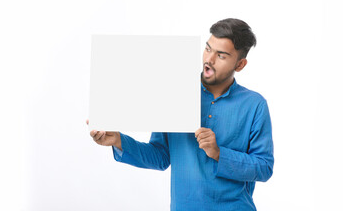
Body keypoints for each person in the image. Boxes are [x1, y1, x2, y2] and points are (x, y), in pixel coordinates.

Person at [88, 18, 274, 211]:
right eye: (208, 49)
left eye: (221, 55)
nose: (208, 60)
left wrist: (219, 153)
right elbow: (160, 156)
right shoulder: (174, 92)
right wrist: (119, 141)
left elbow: (264, 167)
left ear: (240, 64)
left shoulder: (255, 104)